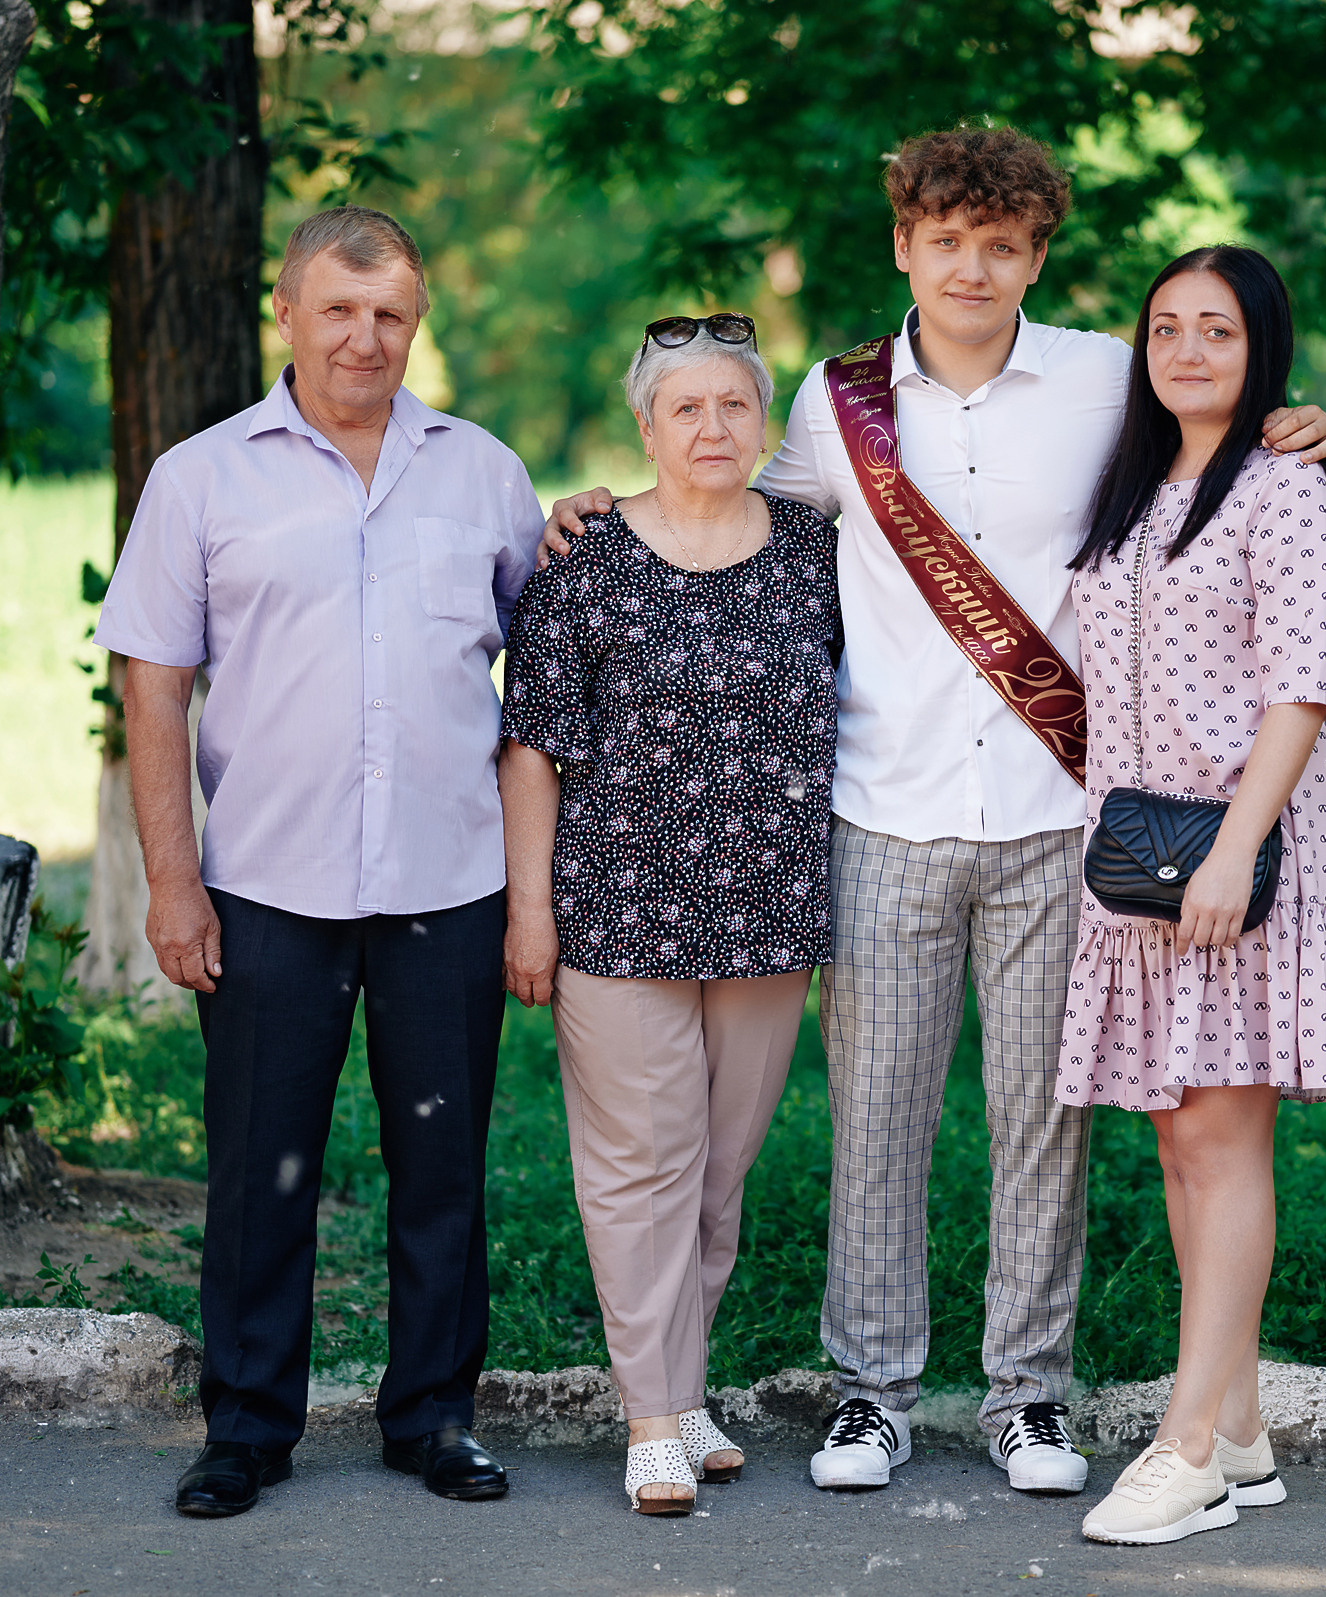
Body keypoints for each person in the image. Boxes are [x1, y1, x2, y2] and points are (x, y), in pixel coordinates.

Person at [545, 126, 1326, 1499]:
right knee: (878, 1115)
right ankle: (873, 1394)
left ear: (1038, 254)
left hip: (1064, 817)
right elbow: (725, 500)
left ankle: (1028, 1395)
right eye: (946, 240)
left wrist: (1308, 424)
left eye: (1001, 244)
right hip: (886, 804)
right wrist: (600, 514)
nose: (971, 266)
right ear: (905, 247)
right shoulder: (832, 399)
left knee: (1046, 1115)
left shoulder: (1110, 377)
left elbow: (1222, 452)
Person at [95, 206, 545, 1517]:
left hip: (448, 885)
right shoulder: (203, 477)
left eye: (391, 313)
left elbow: (548, 684)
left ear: (419, 324)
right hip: (265, 891)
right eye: (339, 310)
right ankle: (244, 1428)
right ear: (286, 313)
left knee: (443, 1170)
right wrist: (174, 887)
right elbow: (156, 688)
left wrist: (536, 891)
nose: (365, 337)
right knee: (260, 1169)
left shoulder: (482, 474)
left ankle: (434, 1418)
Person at [497, 313, 841, 1514]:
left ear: (766, 425)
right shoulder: (582, 559)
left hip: (767, 912)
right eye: (685, 407)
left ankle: (683, 1388)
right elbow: (533, 747)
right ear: (645, 425)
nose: (712, 426)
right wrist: (529, 910)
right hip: (614, 910)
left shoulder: (814, 547)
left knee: (718, 1171)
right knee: (641, 1162)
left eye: (734, 405)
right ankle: (650, 1417)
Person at [1062, 246, 1326, 1546]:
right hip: (1138, 858)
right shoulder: (1134, 488)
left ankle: (1187, 1447)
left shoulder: (1285, 489)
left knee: (1227, 1139)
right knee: (1179, 1138)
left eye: (1220, 332)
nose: (1188, 351)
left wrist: (1240, 850)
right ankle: (1238, 1420)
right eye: (1168, 328)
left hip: (1244, 856)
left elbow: (1304, 688)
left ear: (1265, 352)